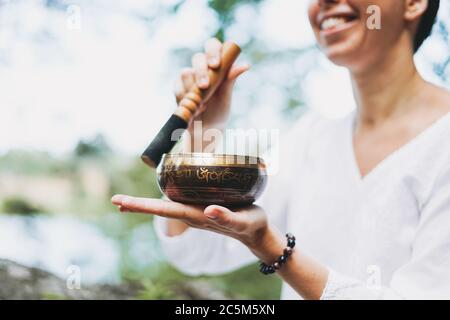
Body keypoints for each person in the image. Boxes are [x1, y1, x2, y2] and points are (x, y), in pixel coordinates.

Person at [112, 0, 450, 299]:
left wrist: (273, 248)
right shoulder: (311, 138)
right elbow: (198, 251)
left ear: (413, 3)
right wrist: (205, 130)